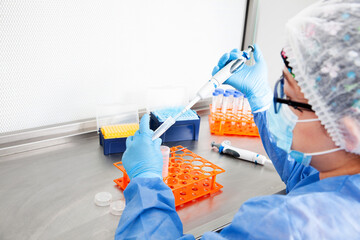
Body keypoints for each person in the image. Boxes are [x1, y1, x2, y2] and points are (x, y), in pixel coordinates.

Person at [115, 0, 360, 239]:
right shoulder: (344, 177)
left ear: (347, 132)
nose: (280, 108)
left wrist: (146, 181)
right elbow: (305, 178)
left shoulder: (288, 226)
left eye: (289, 100)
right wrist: (260, 100)